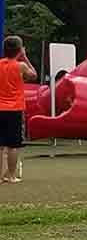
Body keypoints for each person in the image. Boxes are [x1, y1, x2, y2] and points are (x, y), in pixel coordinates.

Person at [1, 36, 38, 183]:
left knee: (0, 144)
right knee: (13, 144)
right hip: (14, 109)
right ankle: (11, 175)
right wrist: (25, 57)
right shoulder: (21, 65)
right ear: (19, 50)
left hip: (0, 108)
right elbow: (33, 75)